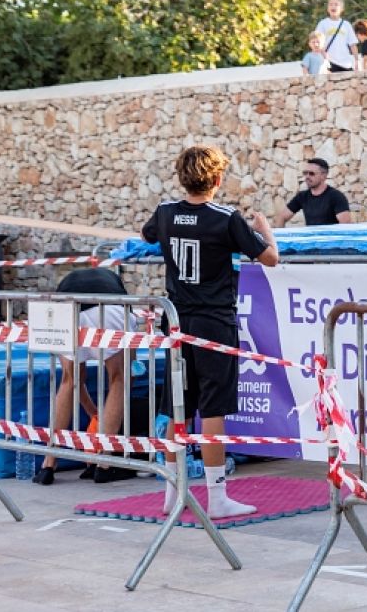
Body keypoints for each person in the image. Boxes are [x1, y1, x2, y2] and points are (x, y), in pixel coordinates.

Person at [141, 144, 280, 518]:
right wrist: (265, 230)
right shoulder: (225, 217)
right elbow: (270, 258)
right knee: (214, 407)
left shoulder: (166, 213)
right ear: (217, 179)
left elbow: (147, 235)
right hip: (213, 322)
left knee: (178, 406)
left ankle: (173, 491)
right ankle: (216, 496)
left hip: (177, 320)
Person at [33, 266, 131, 486]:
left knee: (69, 379)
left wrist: (94, 412)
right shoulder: (116, 287)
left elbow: (75, 381)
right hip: (109, 307)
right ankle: (104, 464)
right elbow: (127, 371)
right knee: (119, 378)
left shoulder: (72, 279)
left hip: (64, 309)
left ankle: (48, 464)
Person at [274, 157, 354, 227]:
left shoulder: (336, 197)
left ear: (323, 175)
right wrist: (276, 241)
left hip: (331, 243)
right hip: (311, 242)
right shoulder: (302, 196)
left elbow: (345, 225)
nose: (307, 177)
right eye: (305, 173)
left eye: (311, 173)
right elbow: (282, 217)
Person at [312, 0, 356, 73]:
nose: (333, 7)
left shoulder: (346, 24)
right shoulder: (322, 24)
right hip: (329, 63)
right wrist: (324, 57)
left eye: (336, 4)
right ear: (327, 8)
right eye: (331, 4)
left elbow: (353, 44)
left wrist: (356, 61)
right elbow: (316, 42)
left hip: (346, 64)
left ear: (342, 8)